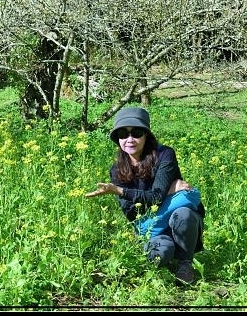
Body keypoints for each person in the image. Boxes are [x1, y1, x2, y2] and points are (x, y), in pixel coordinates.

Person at [85, 107, 205, 285]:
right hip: (151, 228)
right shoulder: (117, 170)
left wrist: (121, 191)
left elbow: (156, 197)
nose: (130, 139)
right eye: (123, 134)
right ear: (117, 139)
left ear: (146, 135)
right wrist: (170, 191)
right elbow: (132, 214)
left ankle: (185, 264)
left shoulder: (165, 155)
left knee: (184, 214)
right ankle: (169, 252)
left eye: (137, 132)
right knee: (161, 254)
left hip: (178, 220)